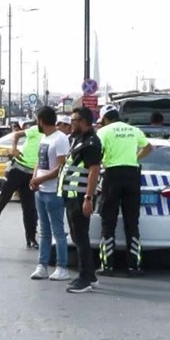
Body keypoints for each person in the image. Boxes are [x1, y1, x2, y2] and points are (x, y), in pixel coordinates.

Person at [96, 105, 152, 275]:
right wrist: (135, 158)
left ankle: (108, 266)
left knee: (108, 221)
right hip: (132, 175)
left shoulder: (104, 131)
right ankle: (134, 266)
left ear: (105, 118)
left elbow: (97, 154)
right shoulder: (133, 130)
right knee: (132, 222)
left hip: (112, 175)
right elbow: (149, 147)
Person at [59, 107, 102, 293]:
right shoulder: (77, 139)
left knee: (81, 236)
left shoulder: (91, 142)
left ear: (84, 121)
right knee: (77, 236)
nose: (71, 123)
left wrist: (88, 198)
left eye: (74, 119)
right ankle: (90, 275)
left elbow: (94, 171)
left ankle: (84, 277)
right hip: (70, 195)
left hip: (80, 196)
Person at [27, 107, 71, 281]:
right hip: (41, 190)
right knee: (44, 231)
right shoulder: (44, 138)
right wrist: (34, 178)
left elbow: (60, 168)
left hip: (53, 191)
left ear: (41, 121)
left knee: (57, 231)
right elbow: (39, 161)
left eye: (37, 119)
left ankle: (62, 267)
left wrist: (40, 180)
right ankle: (42, 265)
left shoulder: (60, 139)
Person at [0, 116, 42, 248]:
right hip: (16, 169)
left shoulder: (53, 137)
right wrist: (14, 148)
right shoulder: (35, 130)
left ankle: (31, 238)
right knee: (2, 200)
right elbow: (16, 134)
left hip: (31, 174)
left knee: (30, 208)